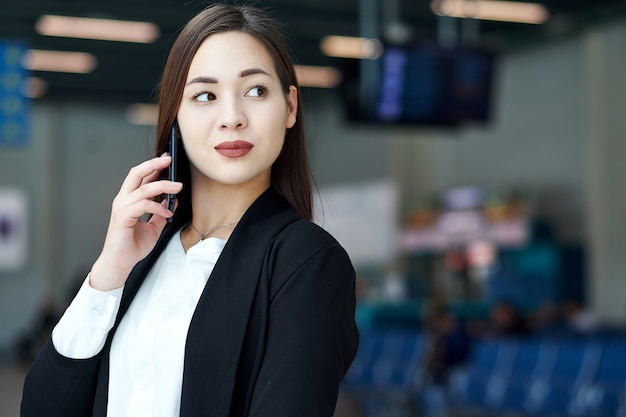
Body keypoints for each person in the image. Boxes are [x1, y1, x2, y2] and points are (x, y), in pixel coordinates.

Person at [21, 4, 359, 417]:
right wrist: (108, 274)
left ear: (290, 106)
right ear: (175, 115)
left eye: (255, 91)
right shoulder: (147, 253)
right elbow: (42, 406)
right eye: (205, 95)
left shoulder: (306, 262)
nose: (232, 118)